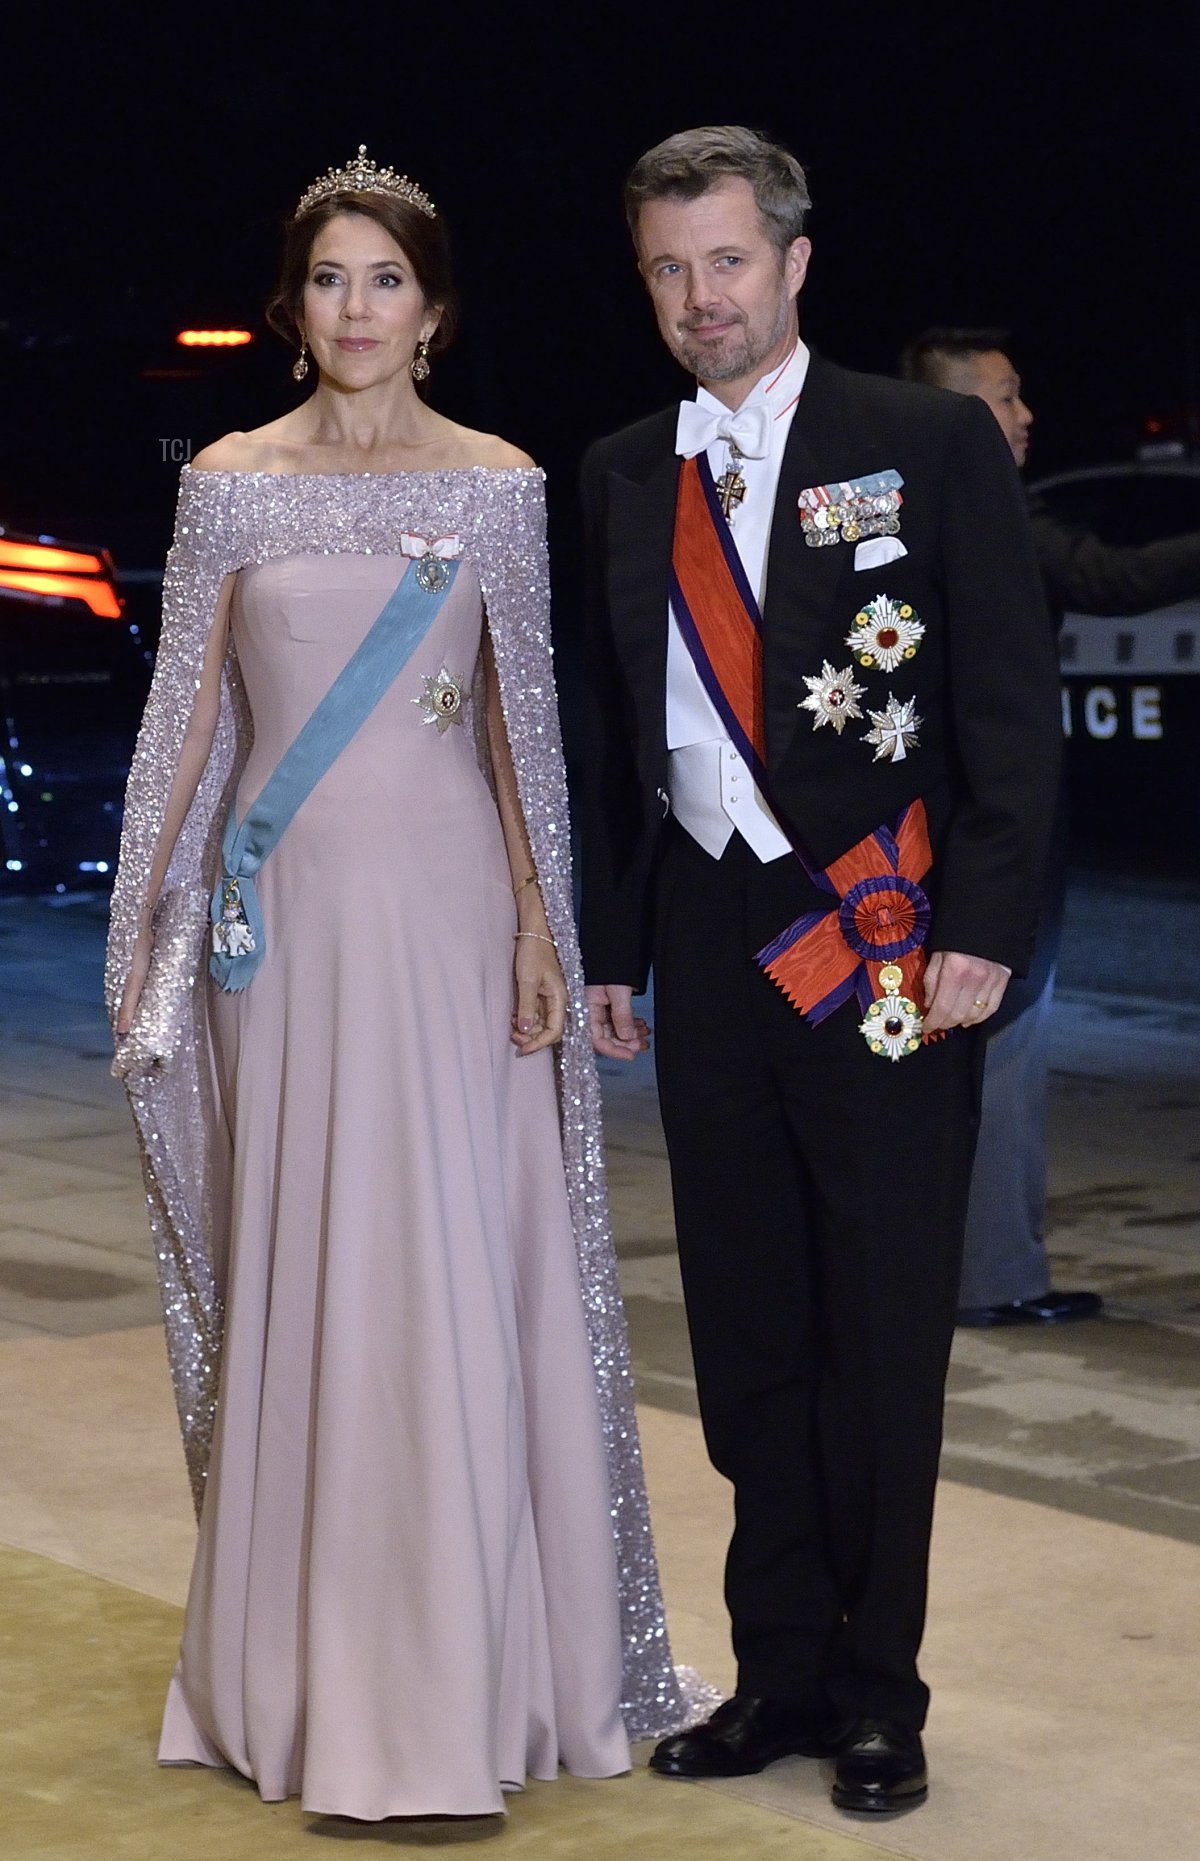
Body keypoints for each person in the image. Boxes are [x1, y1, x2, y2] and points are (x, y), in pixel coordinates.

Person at [105, 145, 690, 1823]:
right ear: (294, 309)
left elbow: (525, 734)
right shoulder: (228, 477)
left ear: (433, 307)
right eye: (328, 280)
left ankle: (474, 1679)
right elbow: (188, 726)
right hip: (280, 938)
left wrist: (538, 927)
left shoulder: (499, 482)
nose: (356, 310)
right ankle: (304, 1678)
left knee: (447, 1262)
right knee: (318, 1272)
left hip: (448, 930)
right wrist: (149, 939)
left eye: (387, 279)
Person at [577, 128, 1061, 1815]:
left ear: (792, 261)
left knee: (878, 1330)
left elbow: (1007, 702)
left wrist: (989, 925)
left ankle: (881, 1695)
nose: (700, 297)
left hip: (891, 942)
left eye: (725, 259)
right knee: (751, 1327)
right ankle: (775, 1668)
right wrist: (612, 948)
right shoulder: (628, 467)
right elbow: (614, 731)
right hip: (711, 953)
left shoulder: (920, 442)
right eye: (667, 268)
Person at [901, 326, 1200, 1326]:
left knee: (944, 1065)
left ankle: (941, 1272)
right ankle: (994, 1280)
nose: (1027, 417)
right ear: (952, 417)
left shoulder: (874, 516)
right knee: (1002, 1056)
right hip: (995, 849)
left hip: (915, 841)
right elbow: (1113, 580)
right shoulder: (990, 516)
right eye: (1004, 398)